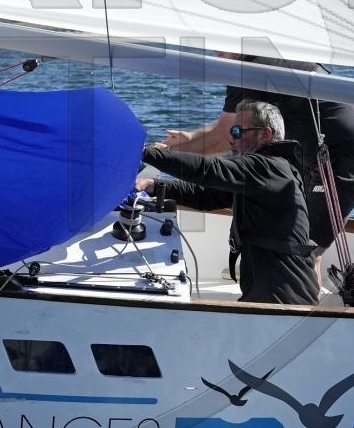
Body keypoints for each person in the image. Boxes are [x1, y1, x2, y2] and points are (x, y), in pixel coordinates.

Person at [160, 55, 354, 270]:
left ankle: (299, 296)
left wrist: (163, 154)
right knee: (289, 236)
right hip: (319, 154)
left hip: (346, 157)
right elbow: (230, 127)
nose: (215, 55)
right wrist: (190, 138)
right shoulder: (258, 61)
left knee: (305, 251)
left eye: (217, 47)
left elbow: (222, 138)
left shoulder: (248, 70)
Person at [135, 99, 319, 306]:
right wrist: (152, 185)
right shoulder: (261, 176)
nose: (231, 140)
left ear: (265, 134)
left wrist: (147, 153)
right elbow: (205, 195)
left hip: (284, 301)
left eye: (237, 132)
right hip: (272, 294)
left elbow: (209, 170)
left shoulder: (269, 168)